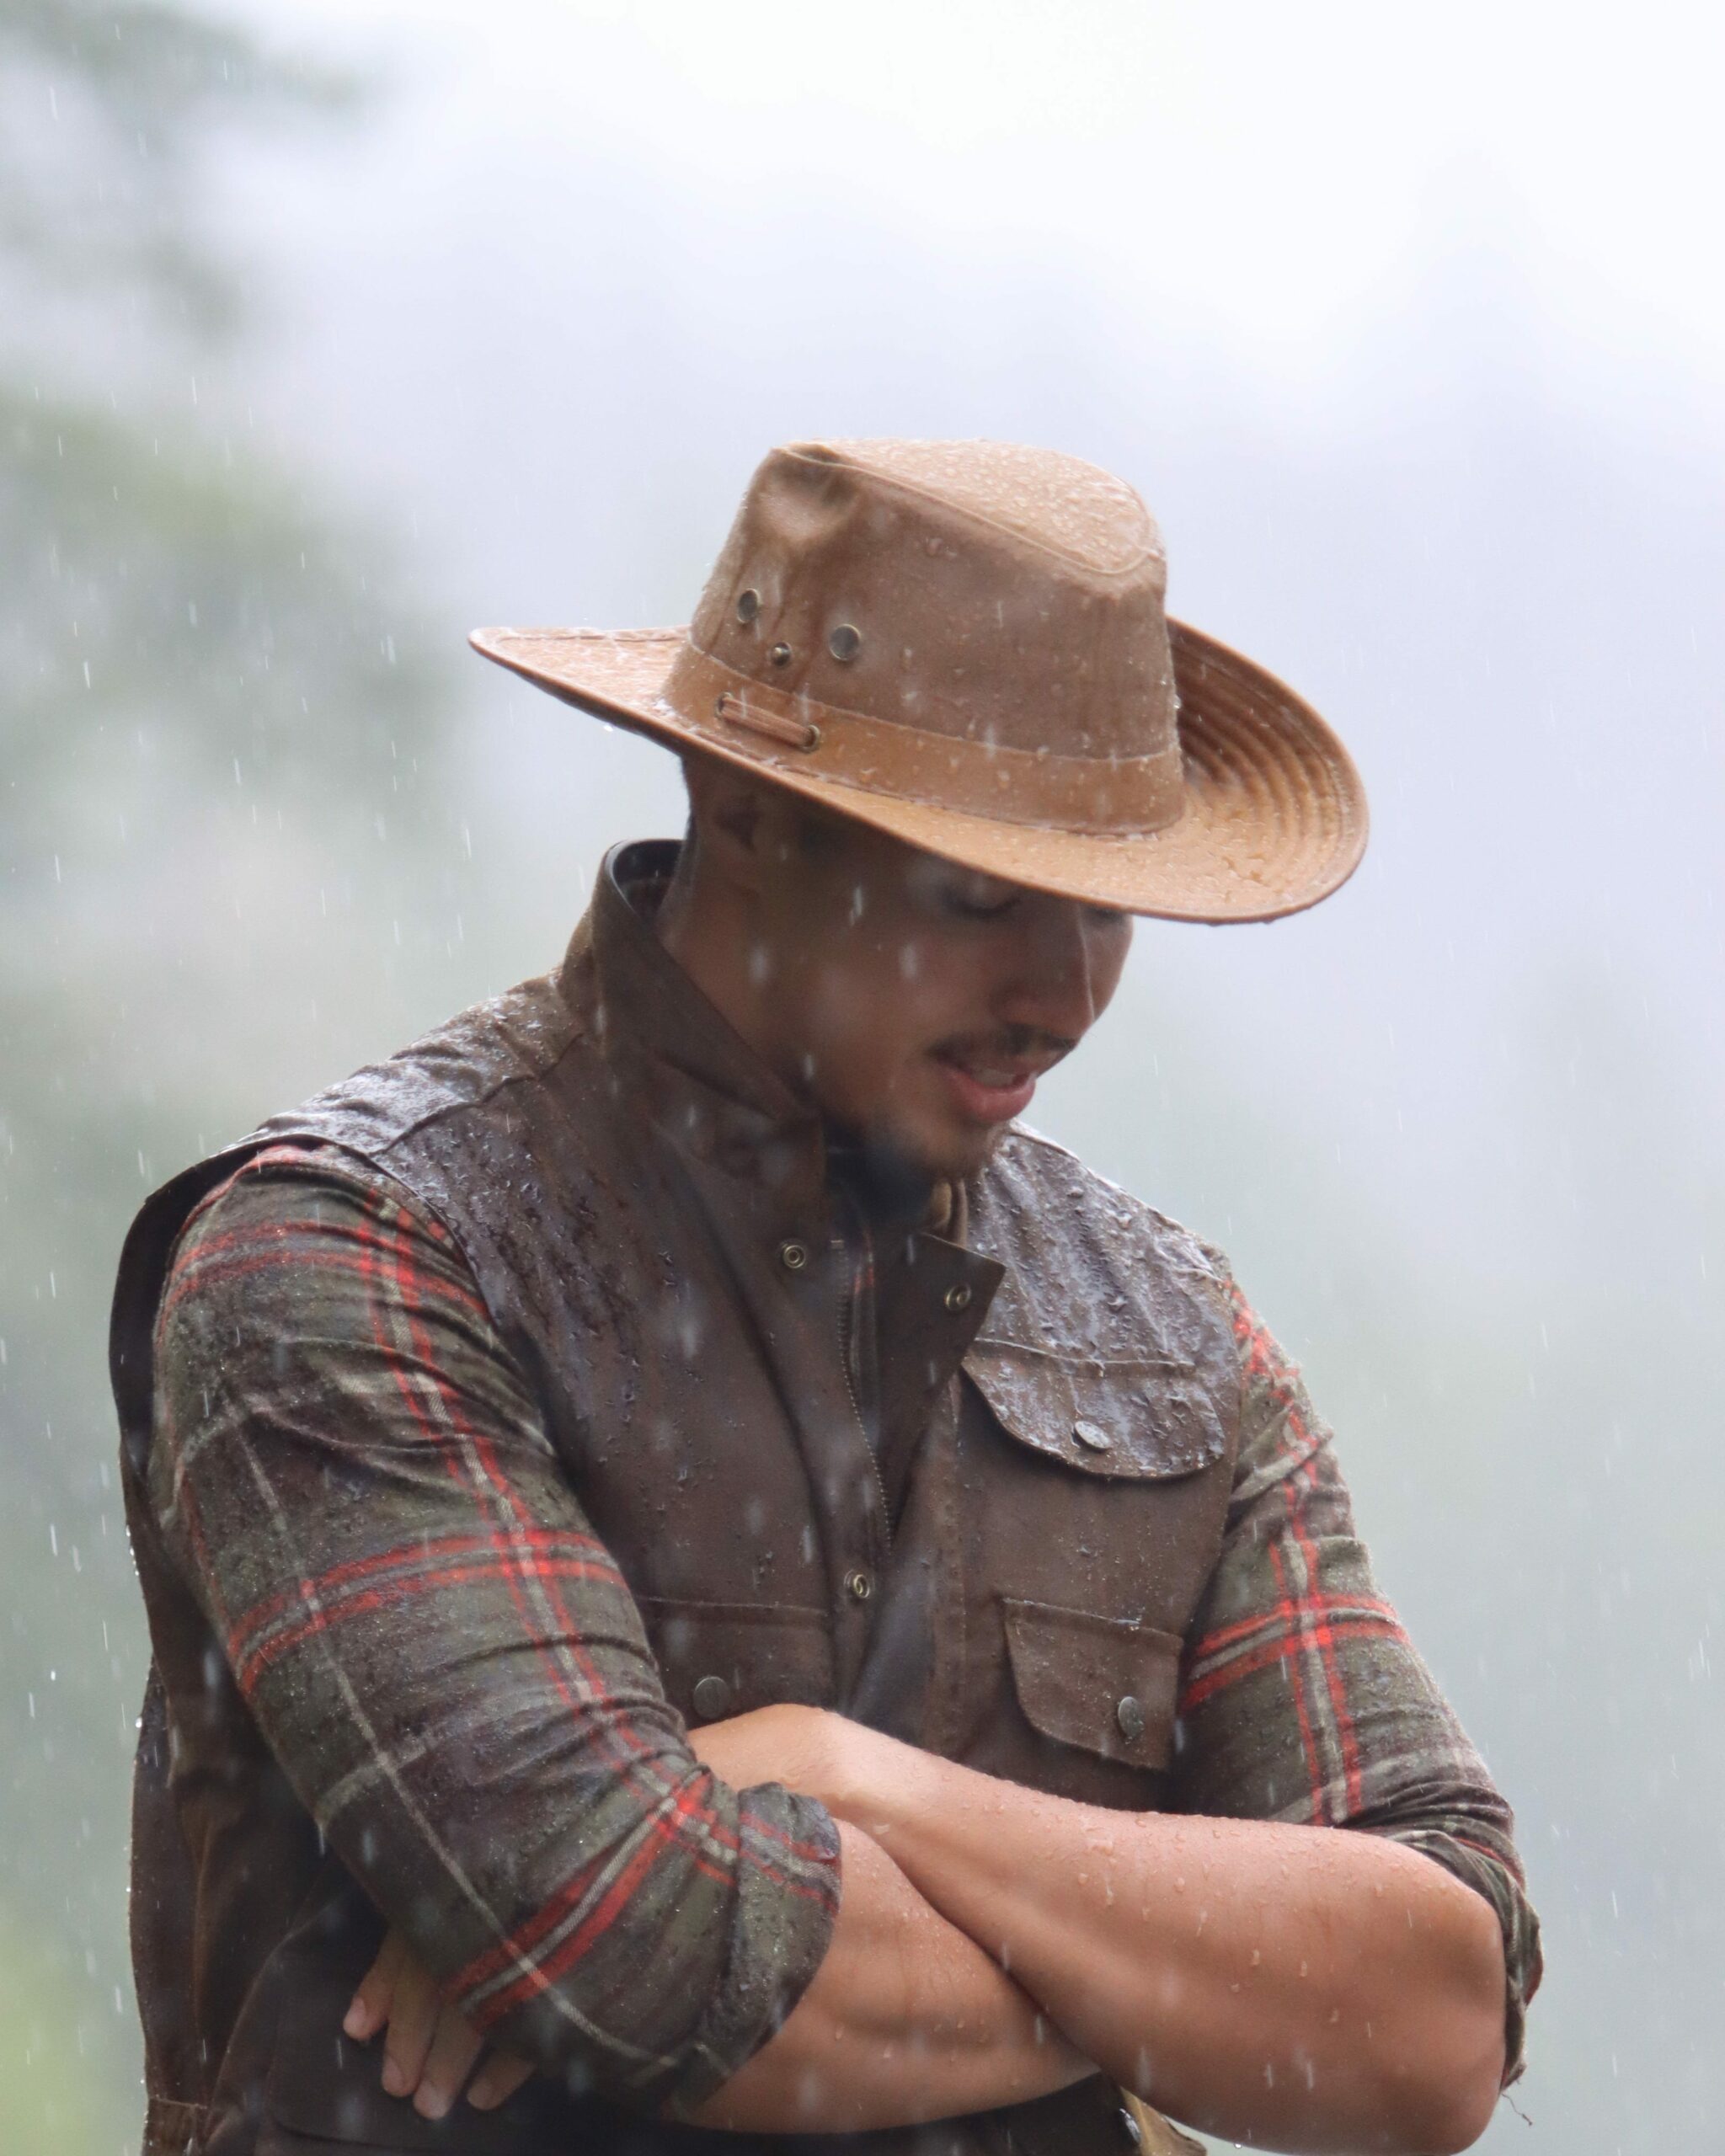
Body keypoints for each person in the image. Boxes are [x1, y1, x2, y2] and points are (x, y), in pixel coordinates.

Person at [111, 439, 1540, 2156]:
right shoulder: (352, 1259)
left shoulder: (1172, 1336)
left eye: (1104, 904)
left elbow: (1439, 2016)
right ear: (739, 814)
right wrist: (1190, 1991)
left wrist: (855, 1781)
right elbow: (650, 1963)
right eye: (979, 892)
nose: (1062, 990)